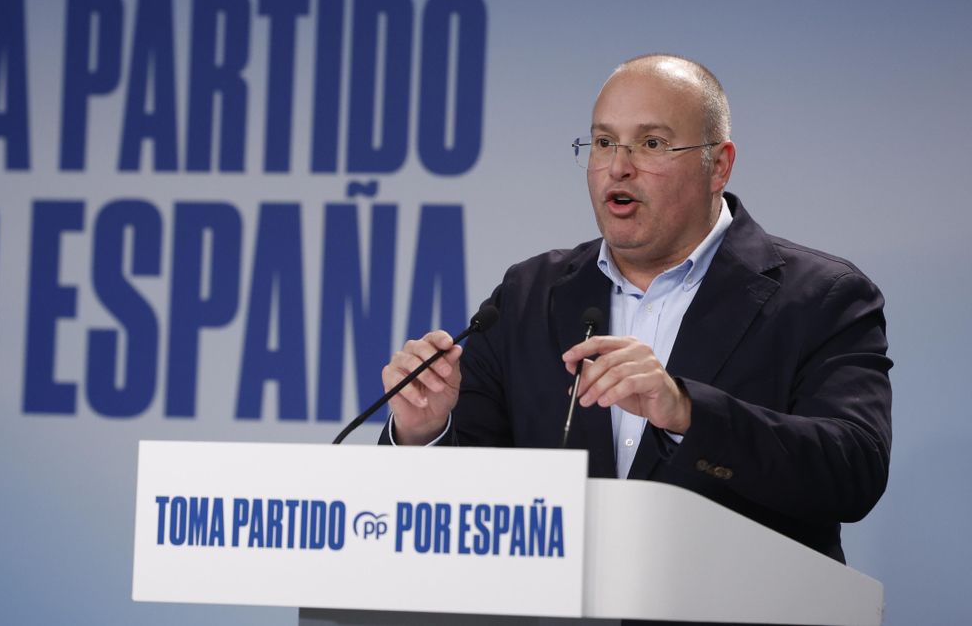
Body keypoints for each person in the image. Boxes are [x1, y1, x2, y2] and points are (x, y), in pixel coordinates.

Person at [379, 54, 892, 564]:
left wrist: (687, 412)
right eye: (603, 143)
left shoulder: (821, 297)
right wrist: (425, 432)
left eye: (652, 144)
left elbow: (852, 472)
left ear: (719, 165)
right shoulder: (528, 294)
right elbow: (468, 499)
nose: (618, 167)